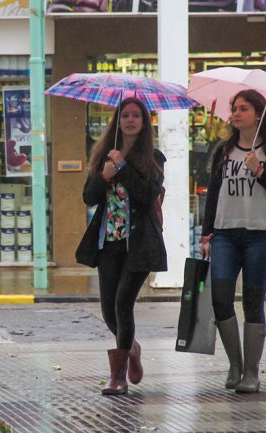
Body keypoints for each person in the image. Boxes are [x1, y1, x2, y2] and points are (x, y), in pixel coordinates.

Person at [200, 89, 266, 394]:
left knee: (253, 302)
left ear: (258, 113)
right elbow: (213, 193)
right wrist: (206, 232)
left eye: (243, 109)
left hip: (260, 235)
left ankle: (251, 373)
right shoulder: (224, 149)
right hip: (226, 233)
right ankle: (235, 364)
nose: (236, 114)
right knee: (220, 298)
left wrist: (259, 170)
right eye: (234, 109)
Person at [75, 97, 167, 396]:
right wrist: (104, 175)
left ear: (143, 123)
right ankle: (131, 349)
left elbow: (146, 195)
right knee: (107, 310)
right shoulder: (104, 155)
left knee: (122, 303)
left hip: (139, 244)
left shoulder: (154, 157)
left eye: (136, 116)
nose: (130, 120)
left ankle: (117, 377)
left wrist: (123, 167)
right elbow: (89, 197)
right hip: (109, 242)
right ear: (117, 121)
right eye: (125, 115)